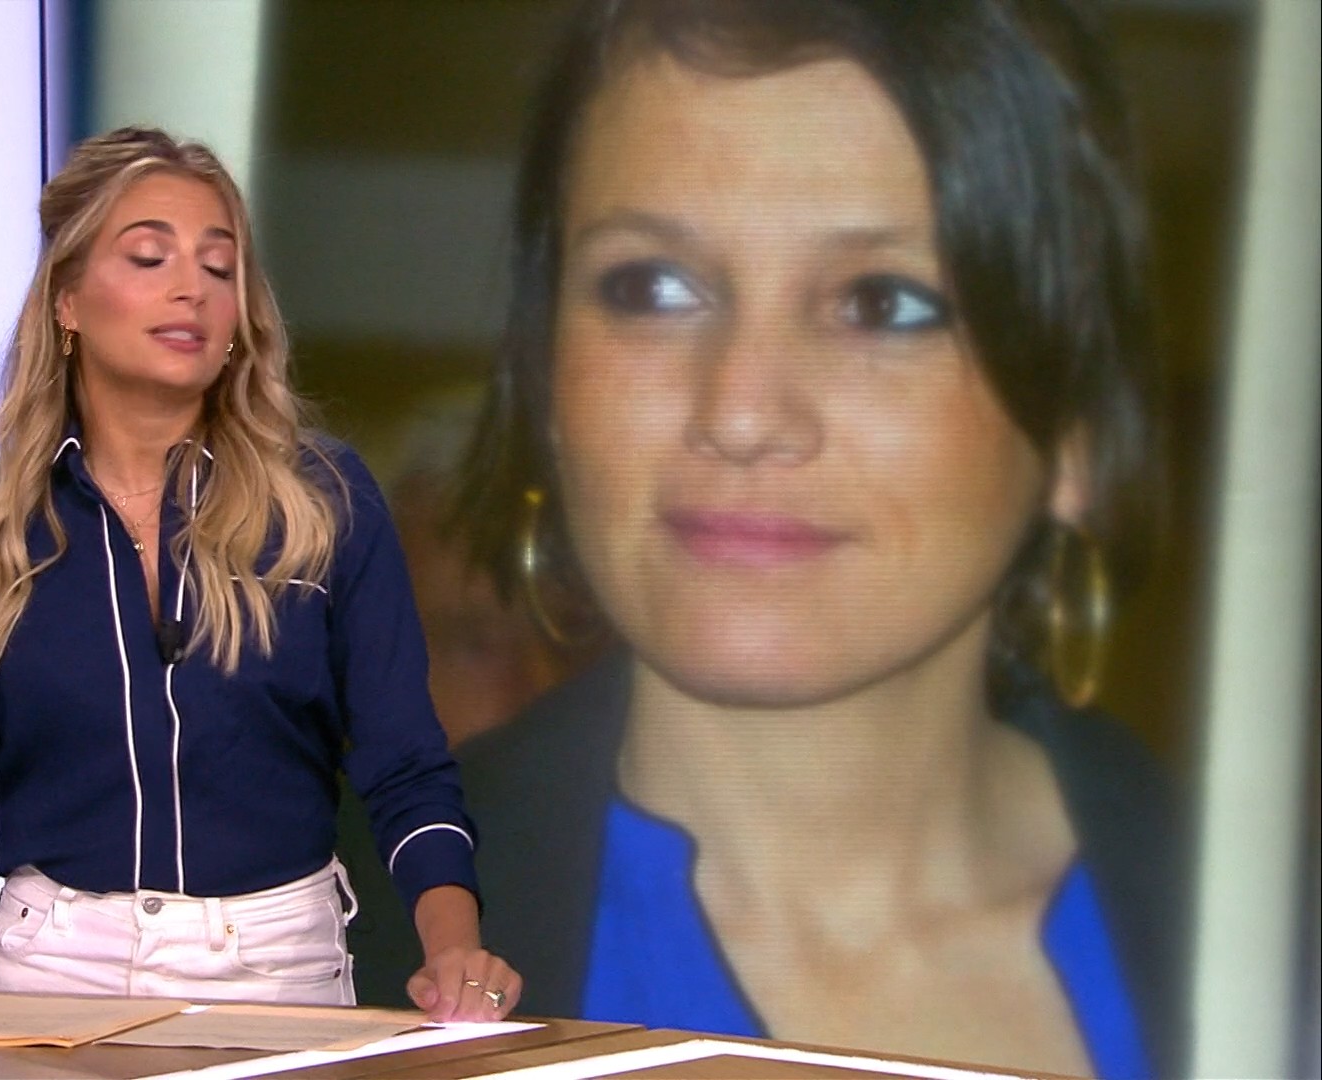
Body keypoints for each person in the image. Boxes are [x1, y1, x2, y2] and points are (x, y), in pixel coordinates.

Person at [447, 1, 1181, 1076]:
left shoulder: (1266, 945)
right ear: (547, 381)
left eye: (882, 304)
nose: (742, 412)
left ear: (1074, 429)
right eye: (651, 287)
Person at [0, 127, 520, 1021]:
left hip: (276, 975)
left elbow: (406, 769)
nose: (191, 288)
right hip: (47, 978)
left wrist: (455, 951)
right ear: (67, 301)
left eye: (219, 267)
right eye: (148, 257)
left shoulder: (324, 503)